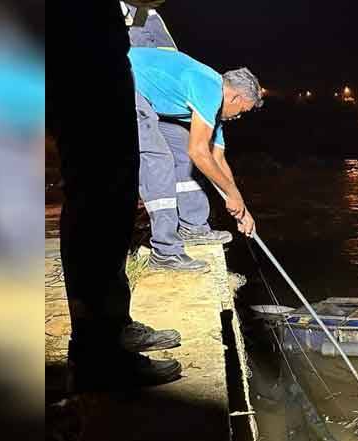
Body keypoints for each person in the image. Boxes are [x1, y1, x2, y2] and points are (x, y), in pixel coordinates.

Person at [48, 1, 182, 389]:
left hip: (89, 46)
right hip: (81, 50)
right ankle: (97, 353)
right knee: (99, 193)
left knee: (112, 192)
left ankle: (111, 328)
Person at [129, 47, 263, 272]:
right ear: (235, 96)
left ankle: (192, 228)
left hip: (144, 97)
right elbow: (199, 152)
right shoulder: (209, 87)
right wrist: (232, 195)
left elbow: (217, 159)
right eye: (242, 111)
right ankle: (165, 252)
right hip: (116, 77)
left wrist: (242, 209)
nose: (239, 117)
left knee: (182, 146)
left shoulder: (215, 107)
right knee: (159, 159)